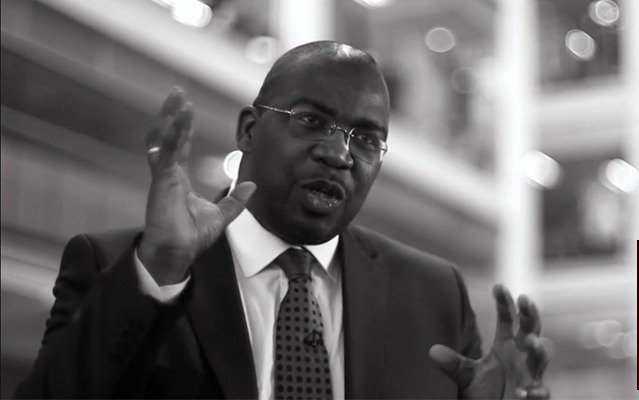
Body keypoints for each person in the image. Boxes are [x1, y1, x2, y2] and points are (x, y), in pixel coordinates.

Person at [15, 41, 549, 399]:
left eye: (366, 139)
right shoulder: (119, 268)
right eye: (312, 121)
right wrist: (158, 273)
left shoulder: (433, 295)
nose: (339, 154)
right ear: (249, 131)